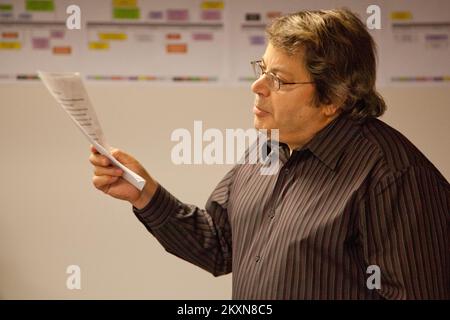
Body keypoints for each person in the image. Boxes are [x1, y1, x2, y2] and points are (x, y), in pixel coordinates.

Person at [89, 9, 450, 299]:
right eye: (263, 70)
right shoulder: (268, 148)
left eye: (279, 80)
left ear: (333, 98)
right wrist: (144, 192)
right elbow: (219, 244)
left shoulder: (395, 176)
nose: (257, 87)